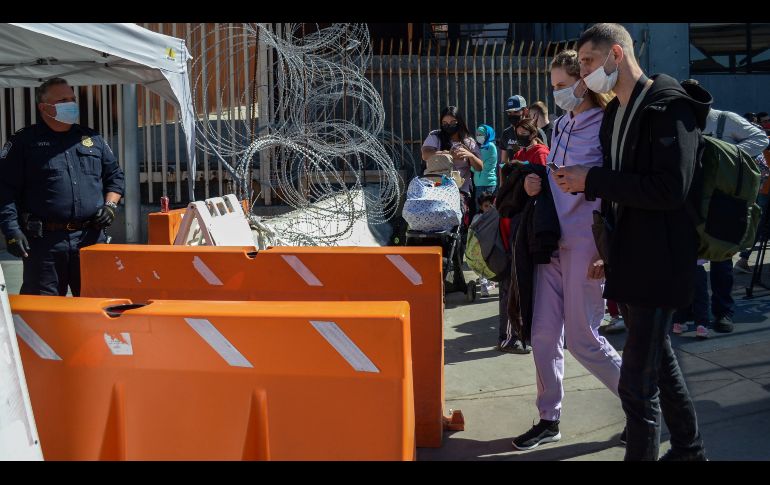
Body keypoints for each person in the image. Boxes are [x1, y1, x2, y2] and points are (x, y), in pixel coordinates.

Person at [555, 23, 708, 461]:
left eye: (587, 61)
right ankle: (689, 449)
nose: (583, 74)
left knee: (637, 382)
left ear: (616, 56)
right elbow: (625, 192)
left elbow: (669, 189)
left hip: (662, 259)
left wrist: (593, 179)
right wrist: (610, 248)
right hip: (633, 257)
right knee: (661, 365)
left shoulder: (668, 107)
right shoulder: (618, 113)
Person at [510, 49, 623, 451]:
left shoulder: (609, 126)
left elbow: (614, 191)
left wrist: (604, 251)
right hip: (551, 244)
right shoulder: (559, 127)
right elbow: (554, 177)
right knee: (542, 335)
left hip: (587, 245)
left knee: (583, 339)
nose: (557, 93)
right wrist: (532, 183)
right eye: (554, 86)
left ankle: (642, 401)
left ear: (584, 82)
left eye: (562, 85)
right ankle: (548, 418)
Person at [0, 78, 124, 296]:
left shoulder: (92, 138)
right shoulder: (24, 142)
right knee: (44, 314)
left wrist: (111, 205)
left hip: (90, 240)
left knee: (98, 308)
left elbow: (115, 176)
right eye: (63, 100)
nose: (72, 104)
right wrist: (12, 231)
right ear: (44, 107)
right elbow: (5, 189)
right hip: (45, 244)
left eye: (73, 99)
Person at [471, 191, 497, 297]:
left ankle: (491, 282)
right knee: (483, 268)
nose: (489, 208)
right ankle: (483, 287)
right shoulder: (478, 217)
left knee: (492, 267)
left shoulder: (496, 216)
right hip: (481, 247)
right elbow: (472, 229)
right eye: (486, 206)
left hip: (494, 247)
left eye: (491, 205)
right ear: (481, 207)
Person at [473, 124, 498, 197]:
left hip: (487, 184)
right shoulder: (481, 147)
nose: (478, 136)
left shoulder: (489, 146)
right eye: (477, 134)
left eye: (481, 134)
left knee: (487, 207)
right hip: (479, 183)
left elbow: (477, 163)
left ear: (487, 135)